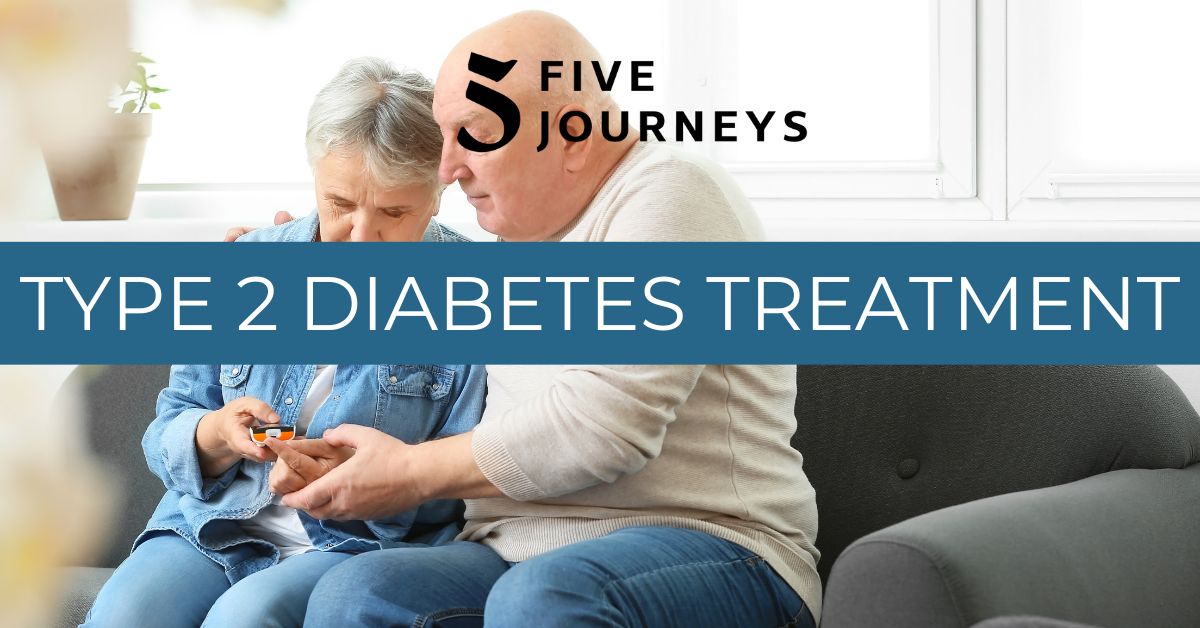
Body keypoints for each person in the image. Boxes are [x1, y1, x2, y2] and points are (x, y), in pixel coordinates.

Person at [251, 11, 821, 628]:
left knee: (546, 596)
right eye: (445, 136)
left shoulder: (668, 194)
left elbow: (605, 425)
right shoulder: (514, 244)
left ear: (573, 136)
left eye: (474, 134)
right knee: (357, 593)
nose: (447, 168)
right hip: (516, 547)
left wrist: (410, 473)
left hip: (714, 547)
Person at [81, 57, 484, 628]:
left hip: (355, 545)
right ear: (315, 175)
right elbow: (170, 422)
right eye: (341, 205)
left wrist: (376, 479)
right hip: (213, 526)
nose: (362, 238)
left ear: (439, 188)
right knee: (128, 613)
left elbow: (472, 480)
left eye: (395, 212)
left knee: (246, 618)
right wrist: (215, 435)